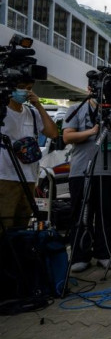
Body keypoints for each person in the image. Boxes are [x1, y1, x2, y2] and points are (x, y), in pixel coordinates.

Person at [62, 82, 111, 271]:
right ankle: (79, 256)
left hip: (109, 171)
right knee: (81, 215)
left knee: (106, 215)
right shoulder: (76, 109)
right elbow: (67, 137)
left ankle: (104, 253)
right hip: (81, 171)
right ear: (89, 90)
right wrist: (93, 131)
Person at [0, 78, 58, 230]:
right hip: (4, 178)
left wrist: (38, 105)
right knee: (4, 226)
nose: (25, 91)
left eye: (29, 88)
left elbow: (53, 133)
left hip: (29, 179)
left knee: (21, 227)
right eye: (21, 87)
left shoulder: (32, 113)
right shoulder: (3, 111)